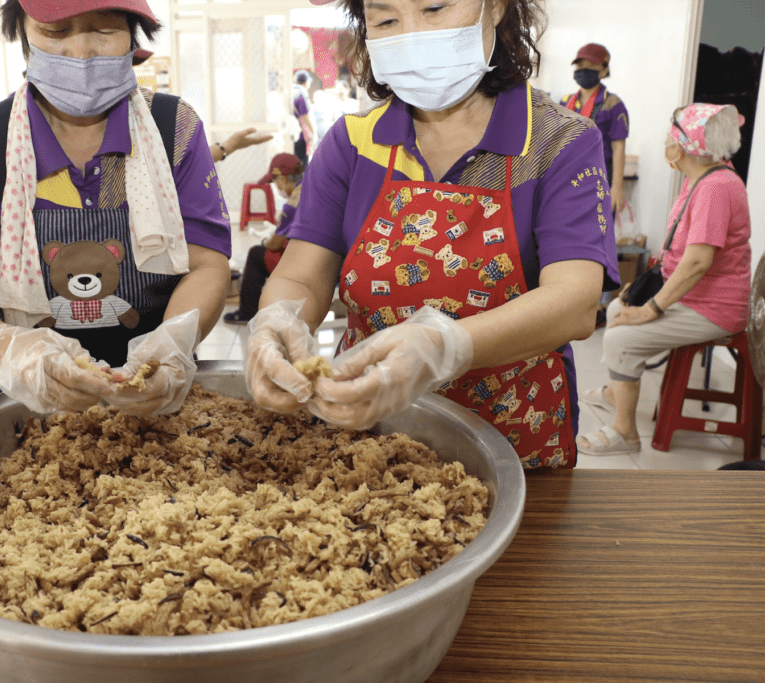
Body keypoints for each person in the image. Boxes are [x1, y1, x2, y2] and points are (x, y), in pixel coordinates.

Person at [244, 0, 619, 470]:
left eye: (435, 8)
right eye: (385, 19)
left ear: (497, 7)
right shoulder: (353, 143)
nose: (413, 35)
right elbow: (302, 277)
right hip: (368, 437)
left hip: (513, 442)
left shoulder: (558, 142)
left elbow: (575, 302)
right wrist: (278, 323)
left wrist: (442, 346)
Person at [0, 0, 231, 417]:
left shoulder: (173, 129)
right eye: (55, 32)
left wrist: (171, 346)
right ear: (23, 34)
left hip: (151, 391)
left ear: (132, 34)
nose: (82, 51)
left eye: (104, 30)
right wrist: (10, 348)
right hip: (27, 399)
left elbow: (206, 265)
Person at [577, 104, 750, 455]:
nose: (665, 144)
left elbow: (698, 261)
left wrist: (652, 308)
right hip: (697, 296)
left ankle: (625, 434)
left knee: (622, 338)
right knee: (617, 311)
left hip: (714, 306)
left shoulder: (715, 188)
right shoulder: (702, 179)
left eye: (670, 137)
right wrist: (643, 292)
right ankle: (616, 393)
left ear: (686, 145)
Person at [224, 153, 304, 324]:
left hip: (301, 264)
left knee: (255, 254)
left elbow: (274, 245)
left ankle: (247, 312)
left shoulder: (293, 203)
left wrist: (266, 241)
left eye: (274, 182)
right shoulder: (312, 188)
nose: (276, 187)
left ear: (282, 179)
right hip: (326, 257)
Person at [559, 43, 629, 216]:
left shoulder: (612, 104)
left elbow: (618, 147)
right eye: (580, 66)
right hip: (568, 177)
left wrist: (616, 188)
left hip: (600, 178)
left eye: (591, 66)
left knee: (598, 233)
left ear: (604, 71)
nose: (583, 71)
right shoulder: (565, 103)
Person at [292, 70, 316, 166]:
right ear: (306, 82)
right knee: (301, 167)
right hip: (300, 136)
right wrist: (313, 132)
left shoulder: (290, 91)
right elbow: (305, 117)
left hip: (289, 134)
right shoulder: (301, 94)